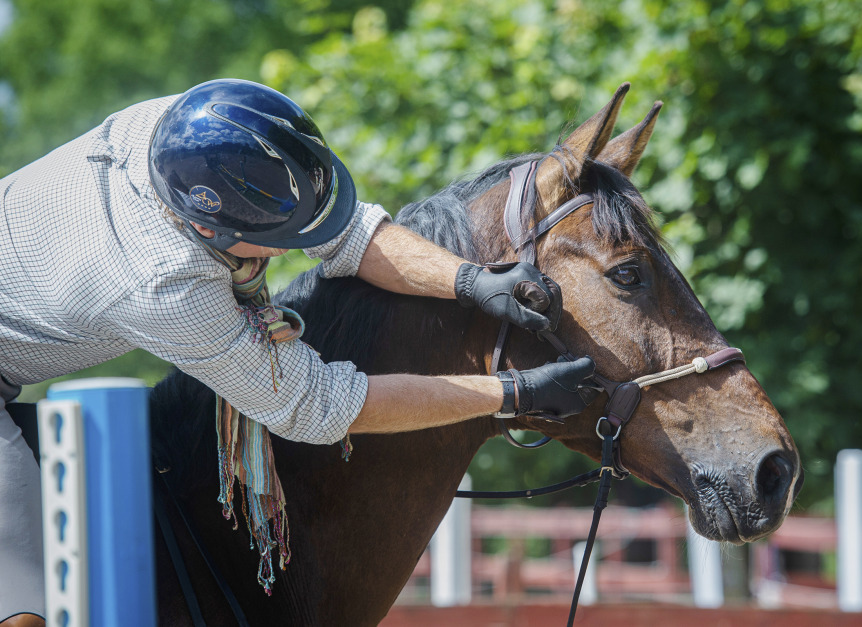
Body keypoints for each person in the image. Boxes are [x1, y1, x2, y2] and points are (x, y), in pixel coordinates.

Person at [0, 79, 596, 625]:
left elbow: (345, 234)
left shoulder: (193, 129)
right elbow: (319, 407)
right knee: (27, 612)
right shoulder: (162, 285)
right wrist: (510, 393)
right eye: (275, 242)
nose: (290, 252)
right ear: (206, 228)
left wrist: (472, 280)